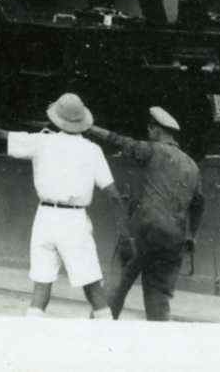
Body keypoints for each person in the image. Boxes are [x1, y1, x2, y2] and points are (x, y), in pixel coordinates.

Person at [0, 92, 126, 318]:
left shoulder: (40, 142)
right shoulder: (93, 150)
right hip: (74, 222)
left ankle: (32, 333)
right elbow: (113, 194)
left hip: (44, 218)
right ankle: (109, 336)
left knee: (41, 286)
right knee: (93, 289)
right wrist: (127, 234)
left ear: (56, 120)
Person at [85, 105, 205, 321]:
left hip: (142, 230)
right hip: (173, 240)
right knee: (158, 297)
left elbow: (119, 140)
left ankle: (98, 340)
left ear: (154, 129)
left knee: (115, 289)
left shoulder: (153, 150)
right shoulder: (192, 166)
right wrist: (191, 236)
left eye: (150, 130)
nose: (148, 134)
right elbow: (198, 205)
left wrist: (89, 128)